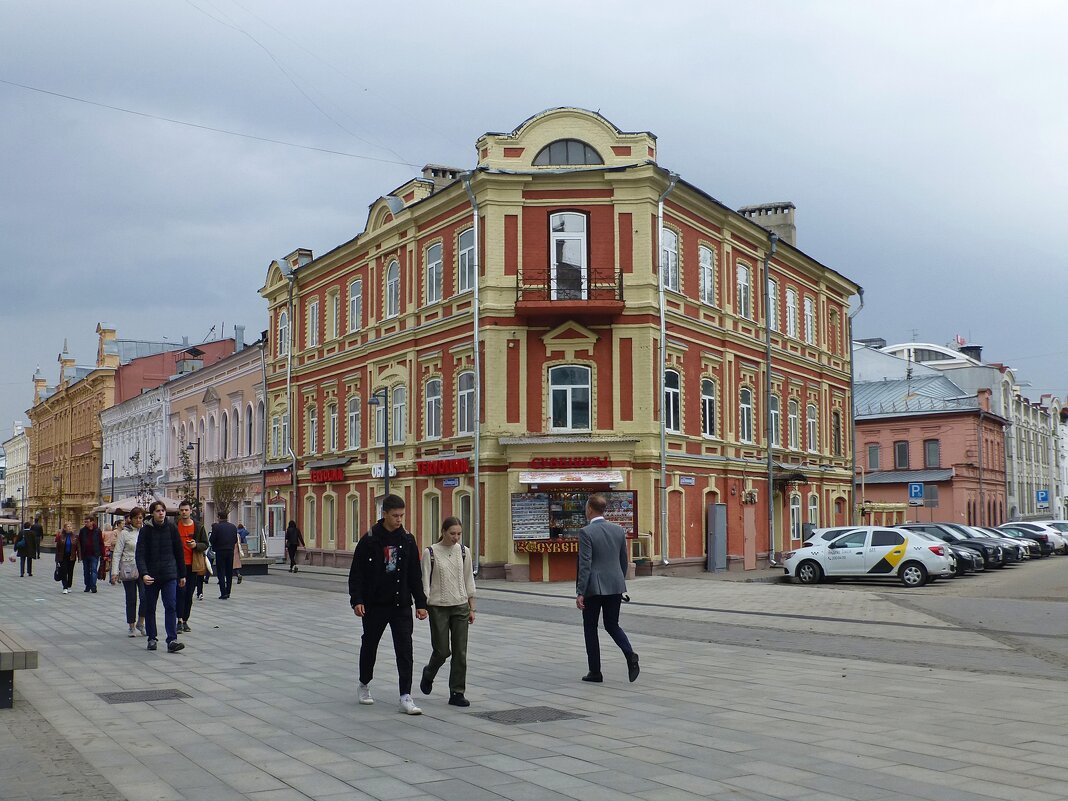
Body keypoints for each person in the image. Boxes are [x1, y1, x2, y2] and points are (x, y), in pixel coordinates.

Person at [348, 494, 428, 715]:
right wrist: (357, 600)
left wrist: (420, 603)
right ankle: (364, 684)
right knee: (370, 644)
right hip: (375, 605)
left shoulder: (408, 540)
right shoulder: (370, 540)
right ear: (384, 514)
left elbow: (415, 575)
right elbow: (357, 574)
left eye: (402, 515)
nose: (399, 519)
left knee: (405, 649)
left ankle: (405, 696)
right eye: (395, 516)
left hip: (401, 604)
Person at [576, 493, 639, 684]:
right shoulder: (618, 530)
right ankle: (630, 654)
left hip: (593, 588)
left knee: (590, 628)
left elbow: (585, 564)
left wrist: (580, 592)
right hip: (615, 585)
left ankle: (595, 672)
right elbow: (623, 560)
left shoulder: (586, 532)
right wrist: (618, 582)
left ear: (589, 509)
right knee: (612, 624)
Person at [419, 517, 476, 707]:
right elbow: (425, 582)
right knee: (442, 651)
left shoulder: (463, 551)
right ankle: (429, 673)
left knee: (460, 651)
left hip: (460, 605)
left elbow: (468, 580)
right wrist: (423, 605)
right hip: (438, 607)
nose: (456, 537)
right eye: (452, 533)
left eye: (459, 534)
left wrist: (471, 607)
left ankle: (457, 692)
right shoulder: (431, 552)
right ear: (443, 531)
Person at [135, 500, 186, 653]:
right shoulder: (146, 531)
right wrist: (144, 573)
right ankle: (152, 638)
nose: (161, 513)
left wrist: (182, 574)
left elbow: (179, 552)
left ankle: (172, 640)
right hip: (151, 576)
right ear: (152, 513)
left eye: (162, 510)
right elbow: (140, 554)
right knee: (150, 607)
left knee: (170, 605)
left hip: (169, 574)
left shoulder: (171, 528)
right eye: (157, 511)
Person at [110, 509, 146, 637]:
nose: (138, 520)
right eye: (136, 518)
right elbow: (117, 553)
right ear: (130, 519)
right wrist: (114, 572)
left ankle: (141, 622)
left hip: (144, 569)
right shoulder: (124, 533)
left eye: (141, 518)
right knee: (131, 598)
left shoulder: (146, 531)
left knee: (145, 597)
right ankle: (131, 625)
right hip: (128, 568)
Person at [175, 501, 208, 633]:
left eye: (186, 510)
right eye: (182, 510)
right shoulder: (174, 526)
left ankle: (185, 620)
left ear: (190, 511)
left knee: (189, 594)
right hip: (178, 565)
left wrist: (196, 545)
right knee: (180, 593)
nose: (184, 512)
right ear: (179, 511)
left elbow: (206, 544)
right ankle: (178, 620)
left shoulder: (198, 527)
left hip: (193, 565)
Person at [209, 511, 239, 599]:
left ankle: (223, 592)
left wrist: (215, 545)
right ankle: (228, 591)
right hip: (230, 551)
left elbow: (212, 539)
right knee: (229, 571)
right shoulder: (233, 527)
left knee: (221, 572)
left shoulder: (216, 527)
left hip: (220, 551)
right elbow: (235, 540)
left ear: (218, 517)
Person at [77, 515, 104, 593]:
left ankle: (93, 586)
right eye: (85, 522)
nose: (86, 523)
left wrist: (102, 553)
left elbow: (101, 542)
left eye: (87, 522)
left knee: (94, 570)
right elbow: (79, 542)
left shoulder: (97, 531)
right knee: (86, 571)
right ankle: (87, 585)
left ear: (92, 522)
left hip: (94, 554)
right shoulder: (82, 531)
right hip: (85, 553)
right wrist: (79, 554)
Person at [55, 522, 79, 594]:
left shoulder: (75, 537)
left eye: (70, 526)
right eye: (68, 526)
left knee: (70, 571)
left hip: (72, 556)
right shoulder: (60, 536)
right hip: (63, 556)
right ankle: (65, 587)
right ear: (64, 528)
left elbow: (78, 547)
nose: (69, 528)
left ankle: (69, 585)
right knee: (64, 571)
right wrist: (57, 558)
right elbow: (58, 548)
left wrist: (80, 557)